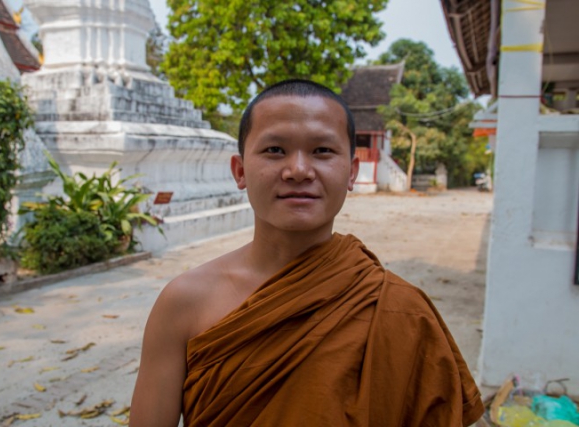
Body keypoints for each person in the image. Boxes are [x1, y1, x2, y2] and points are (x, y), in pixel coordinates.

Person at [129, 79, 485, 426]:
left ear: (351, 171)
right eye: (274, 150)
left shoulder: (399, 310)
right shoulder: (185, 302)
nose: (298, 170)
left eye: (322, 151)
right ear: (240, 171)